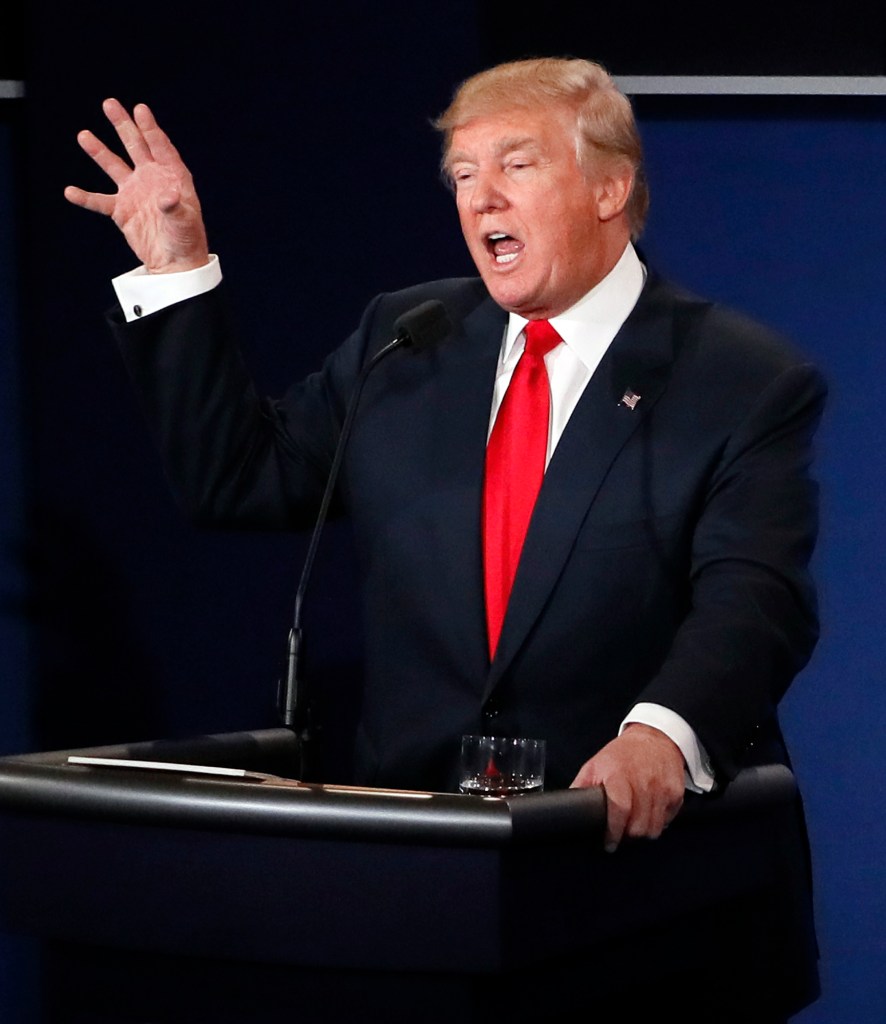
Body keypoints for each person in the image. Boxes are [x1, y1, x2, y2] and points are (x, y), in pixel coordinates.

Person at [65, 57, 825, 1020]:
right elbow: (239, 478)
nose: (481, 200)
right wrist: (176, 269)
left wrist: (659, 734)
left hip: (643, 899)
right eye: (463, 175)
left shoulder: (739, 377)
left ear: (609, 186)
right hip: (429, 903)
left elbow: (754, 597)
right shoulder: (409, 338)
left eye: (516, 165)